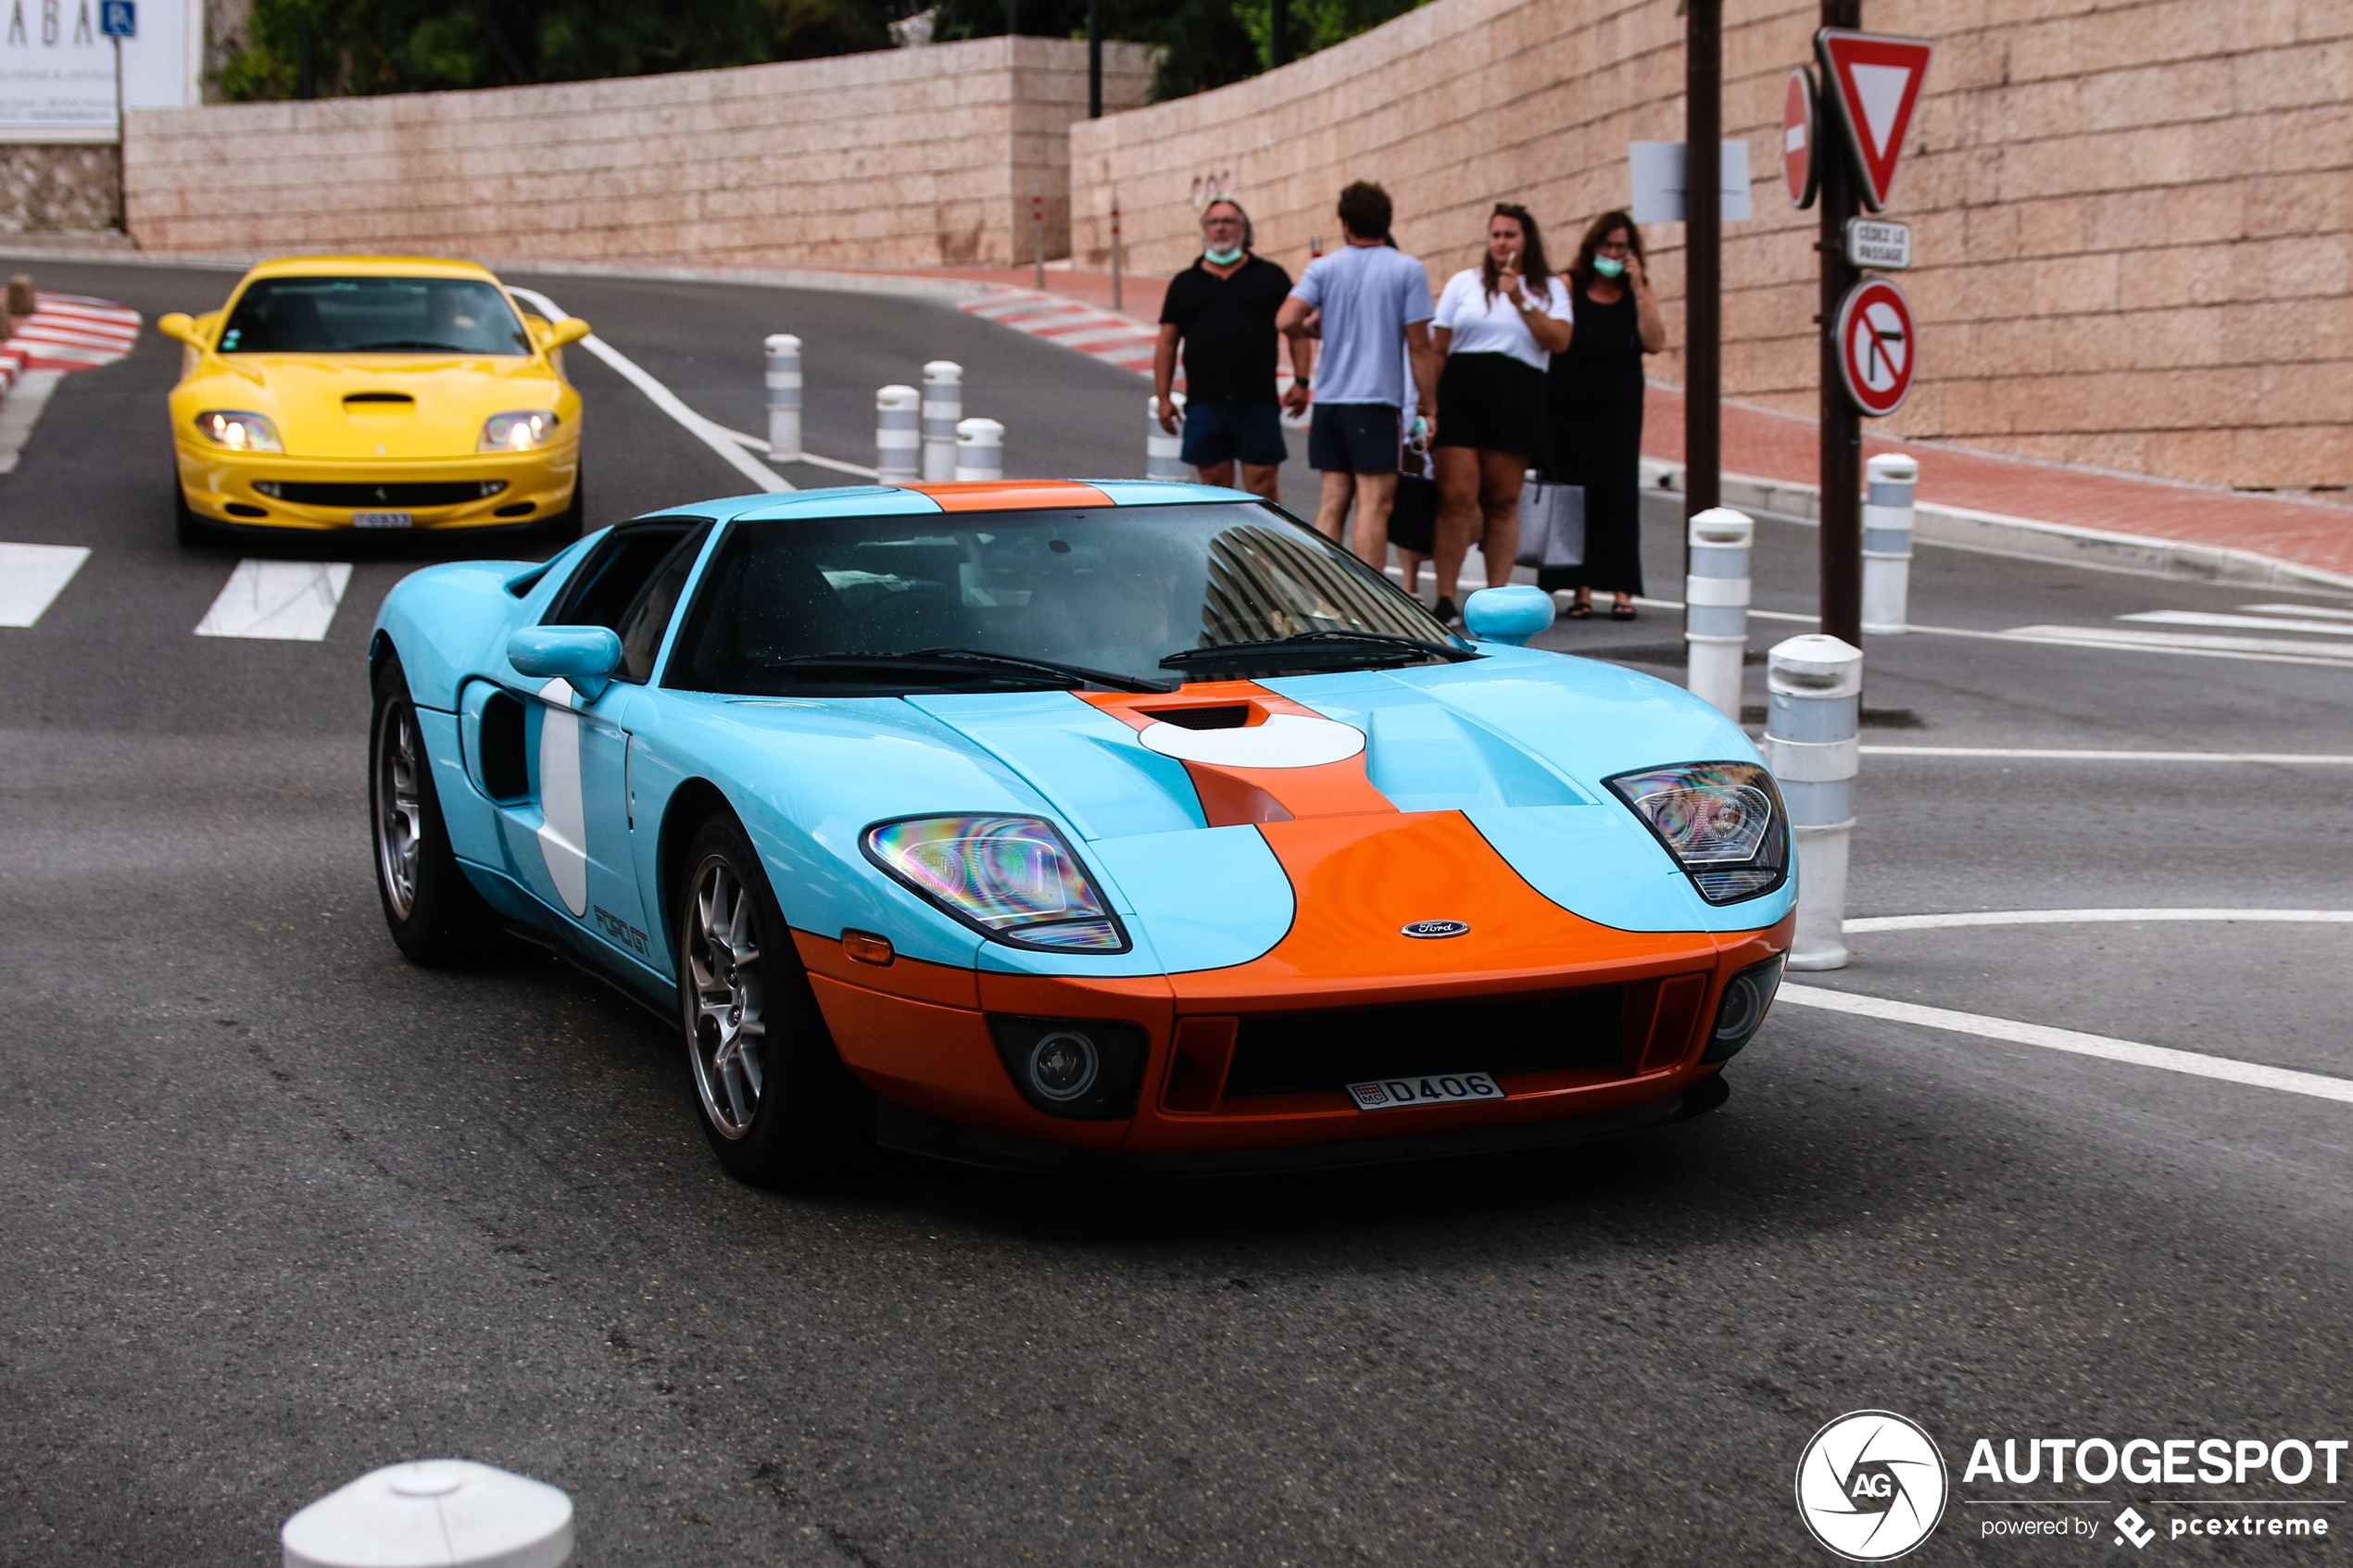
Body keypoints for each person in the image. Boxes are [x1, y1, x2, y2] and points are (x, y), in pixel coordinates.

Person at [1275, 182, 1439, 568]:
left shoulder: (1324, 267)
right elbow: (1419, 345)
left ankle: (1324, 595)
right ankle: (1370, 603)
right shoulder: (1408, 270)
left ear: (1345, 222)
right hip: (1376, 401)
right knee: (1374, 504)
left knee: (1333, 502)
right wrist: (1428, 406)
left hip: (1331, 401)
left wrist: (1314, 328)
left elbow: (1286, 318)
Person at [1428, 204, 1572, 623]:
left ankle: (1494, 600)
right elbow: (1439, 347)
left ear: (1527, 240)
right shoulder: (1464, 283)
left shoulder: (1548, 289)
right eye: (1496, 235)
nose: (1501, 243)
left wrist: (1520, 300)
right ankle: (1444, 597)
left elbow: (1559, 340)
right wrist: (1428, 405)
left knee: (1502, 501)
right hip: (1463, 391)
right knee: (1456, 496)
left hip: (1516, 396)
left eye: (1510, 235)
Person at [1541, 209, 1667, 619]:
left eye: (1620, 247)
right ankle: (1580, 587)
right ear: (1593, 246)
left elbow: (1655, 341)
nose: (1613, 253)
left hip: (1619, 407)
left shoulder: (1636, 292)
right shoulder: (1569, 285)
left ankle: (1622, 588)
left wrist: (1640, 286)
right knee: (1576, 491)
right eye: (1607, 246)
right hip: (1569, 406)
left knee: (1617, 492)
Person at [1154, 199, 1307, 501]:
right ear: (1204, 231)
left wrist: (1302, 381)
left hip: (1257, 401)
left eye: (1229, 221)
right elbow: (1167, 342)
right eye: (1213, 222)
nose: (1221, 227)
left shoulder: (1271, 277)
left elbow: (1298, 332)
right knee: (1213, 492)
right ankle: (1220, 550)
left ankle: (1264, 549)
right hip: (1205, 403)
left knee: (1262, 487)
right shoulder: (1184, 283)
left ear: (1244, 229)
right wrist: (1163, 397)